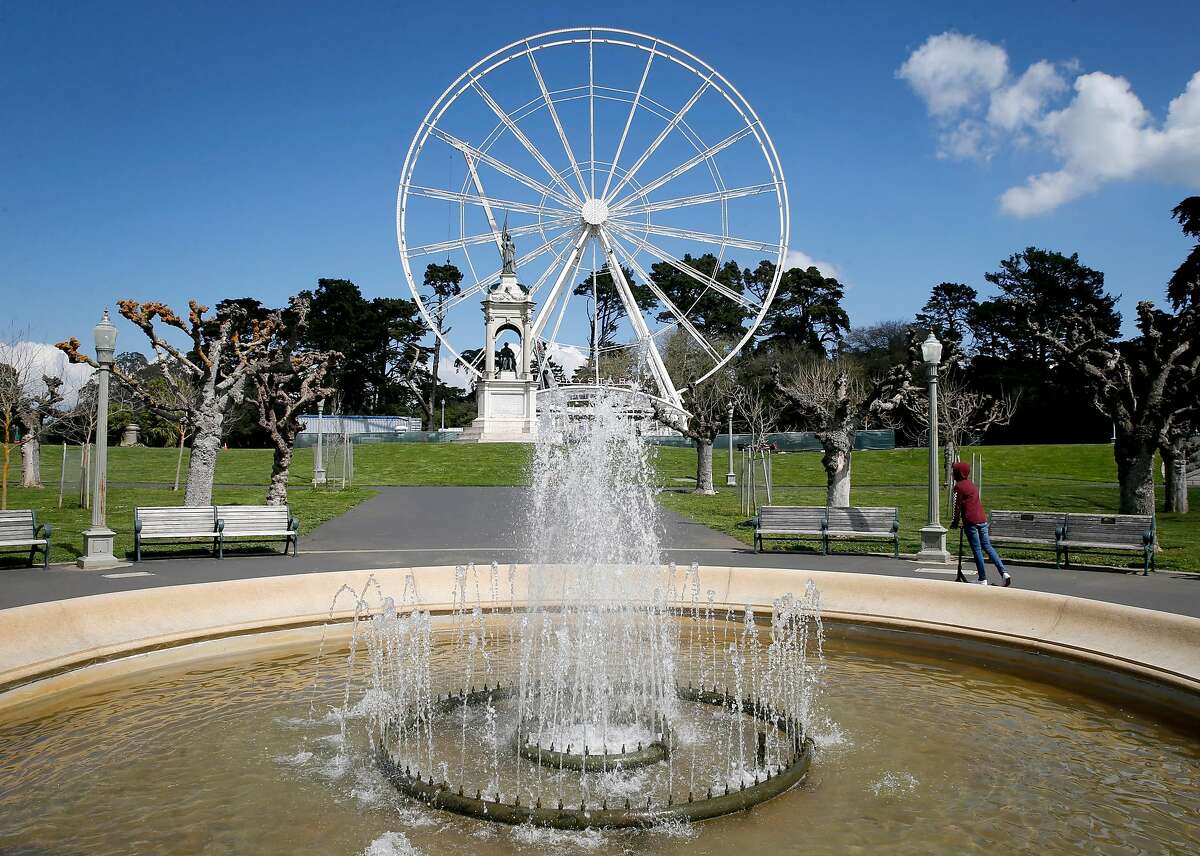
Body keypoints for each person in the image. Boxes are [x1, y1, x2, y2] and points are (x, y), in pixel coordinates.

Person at [950, 460, 1012, 586]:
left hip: (970, 522)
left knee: (977, 549)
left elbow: (957, 506)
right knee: (987, 546)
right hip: (982, 520)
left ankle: (982, 578)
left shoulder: (959, 487)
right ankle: (1004, 573)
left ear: (958, 473)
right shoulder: (972, 485)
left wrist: (955, 522)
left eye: (954, 471)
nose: (952, 474)